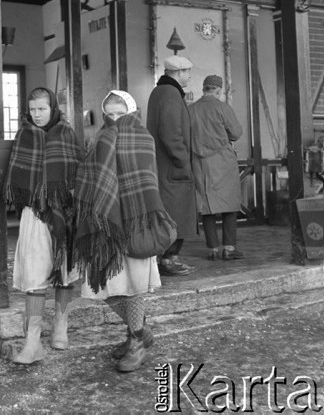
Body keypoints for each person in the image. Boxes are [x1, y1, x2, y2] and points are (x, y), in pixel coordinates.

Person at [74, 90, 176, 373]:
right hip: (106, 223)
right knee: (107, 286)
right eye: (110, 114)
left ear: (131, 112)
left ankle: (135, 342)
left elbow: (146, 180)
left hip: (134, 221)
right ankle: (141, 333)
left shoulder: (142, 138)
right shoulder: (100, 139)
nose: (114, 119)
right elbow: (92, 175)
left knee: (133, 286)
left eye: (120, 113)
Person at [3, 87, 82, 364]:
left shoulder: (66, 133)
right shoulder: (24, 134)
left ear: (53, 109)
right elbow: (16, 174)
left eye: (42, 109)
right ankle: (32, 340)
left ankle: (61, 326)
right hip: (34, 211)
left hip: (64, 211)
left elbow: (77, 172)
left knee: (64, 271)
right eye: (32, 109)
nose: (36, 115)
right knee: (35, 272)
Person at [146, 55, 198, 276]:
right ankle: (169, 259)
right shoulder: (170, 94)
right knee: (176, 214)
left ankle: (165, 258)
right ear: (178, 72)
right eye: (187, 72)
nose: (189, 76)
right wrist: (183, 160)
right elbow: (171, 134)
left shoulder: (159, 92)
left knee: (169, 213)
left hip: (164, 167)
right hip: (173, 169)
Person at [189, 75, 244, 260]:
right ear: (218, 90)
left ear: (204, 89)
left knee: (206, 205)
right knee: (229, 203)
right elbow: (235, 133)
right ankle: (229, 248)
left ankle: (212, 249)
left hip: (200, 163)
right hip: (223, 161)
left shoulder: (190, 109)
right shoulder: (222, 107)